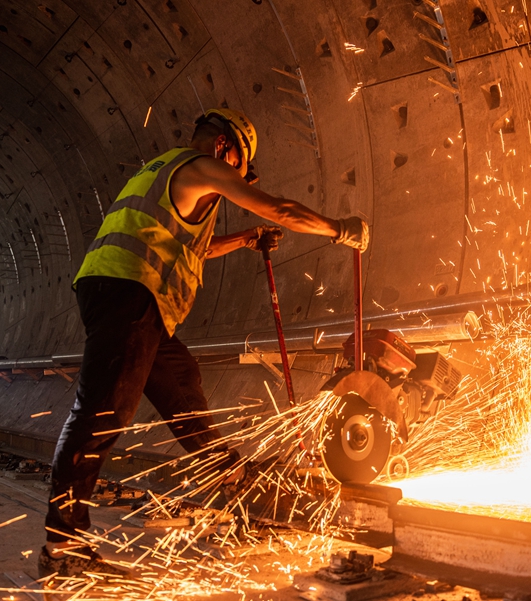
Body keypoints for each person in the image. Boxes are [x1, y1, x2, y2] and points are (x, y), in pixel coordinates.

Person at [39, 108, 368, 578]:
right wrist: (341, 230)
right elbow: (281, 209)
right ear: (224, 148)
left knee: (181, 382)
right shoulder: (203, 166)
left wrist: (245, 239)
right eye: (239, 167)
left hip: (130, 295)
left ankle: (228, 475)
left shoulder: (162, 171)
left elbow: (197, 247)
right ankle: (63, 547)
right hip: (131, 291)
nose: (235, 179)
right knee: (102, 413)